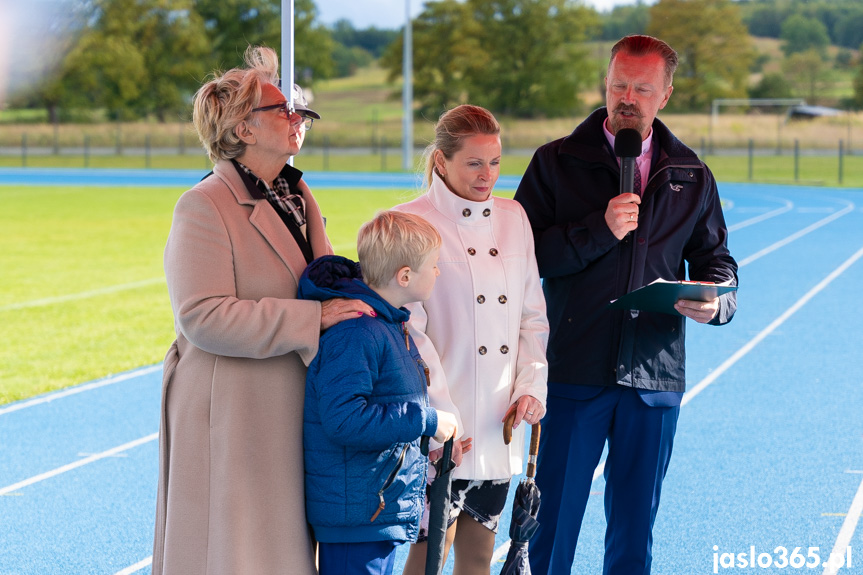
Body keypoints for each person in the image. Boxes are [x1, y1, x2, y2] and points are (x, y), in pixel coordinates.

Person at [513, 35, 739, 575]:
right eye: (619, 84)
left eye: (641, 88)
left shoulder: (691, 173)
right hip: (572, 372)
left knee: (635, 536)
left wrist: (716, 304)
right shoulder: (555, 162)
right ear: (606, 84)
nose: (627, 97)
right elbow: (521, 257)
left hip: (653, 379)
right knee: (549, 532)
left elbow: (718, 263)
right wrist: (599, 231)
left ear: (665, 95)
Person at [152, 46, 372, 575]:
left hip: (288, 400)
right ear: (242, 130)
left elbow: (319, 283)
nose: (298, 118)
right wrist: (310, 320)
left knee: (278, 550)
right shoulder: (203, 204)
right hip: (229, 409)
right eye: (282, 110)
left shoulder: (297, 193)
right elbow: (202, 316)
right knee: (232, 552)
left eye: (298, 110)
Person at [395, 104, 549, 575]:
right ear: (441, 161)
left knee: (480, 556)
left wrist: (530, 387)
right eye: (475, 163)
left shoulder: (514, 217)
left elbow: (532, 317)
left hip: (498, 422)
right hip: (440, 428)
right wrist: (440, 418)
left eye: (496, 162)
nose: (488, 176)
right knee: (428, 555)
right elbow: (407, 331)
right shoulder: (407, 221)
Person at [298, 210, 460, 575]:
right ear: (404, 276)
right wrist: (427, 421)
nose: (437, 272)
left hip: (373, 504)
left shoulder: (387, 323)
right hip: (356, 514)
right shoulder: (357, 333)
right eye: (433, 266)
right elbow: (345, 419)